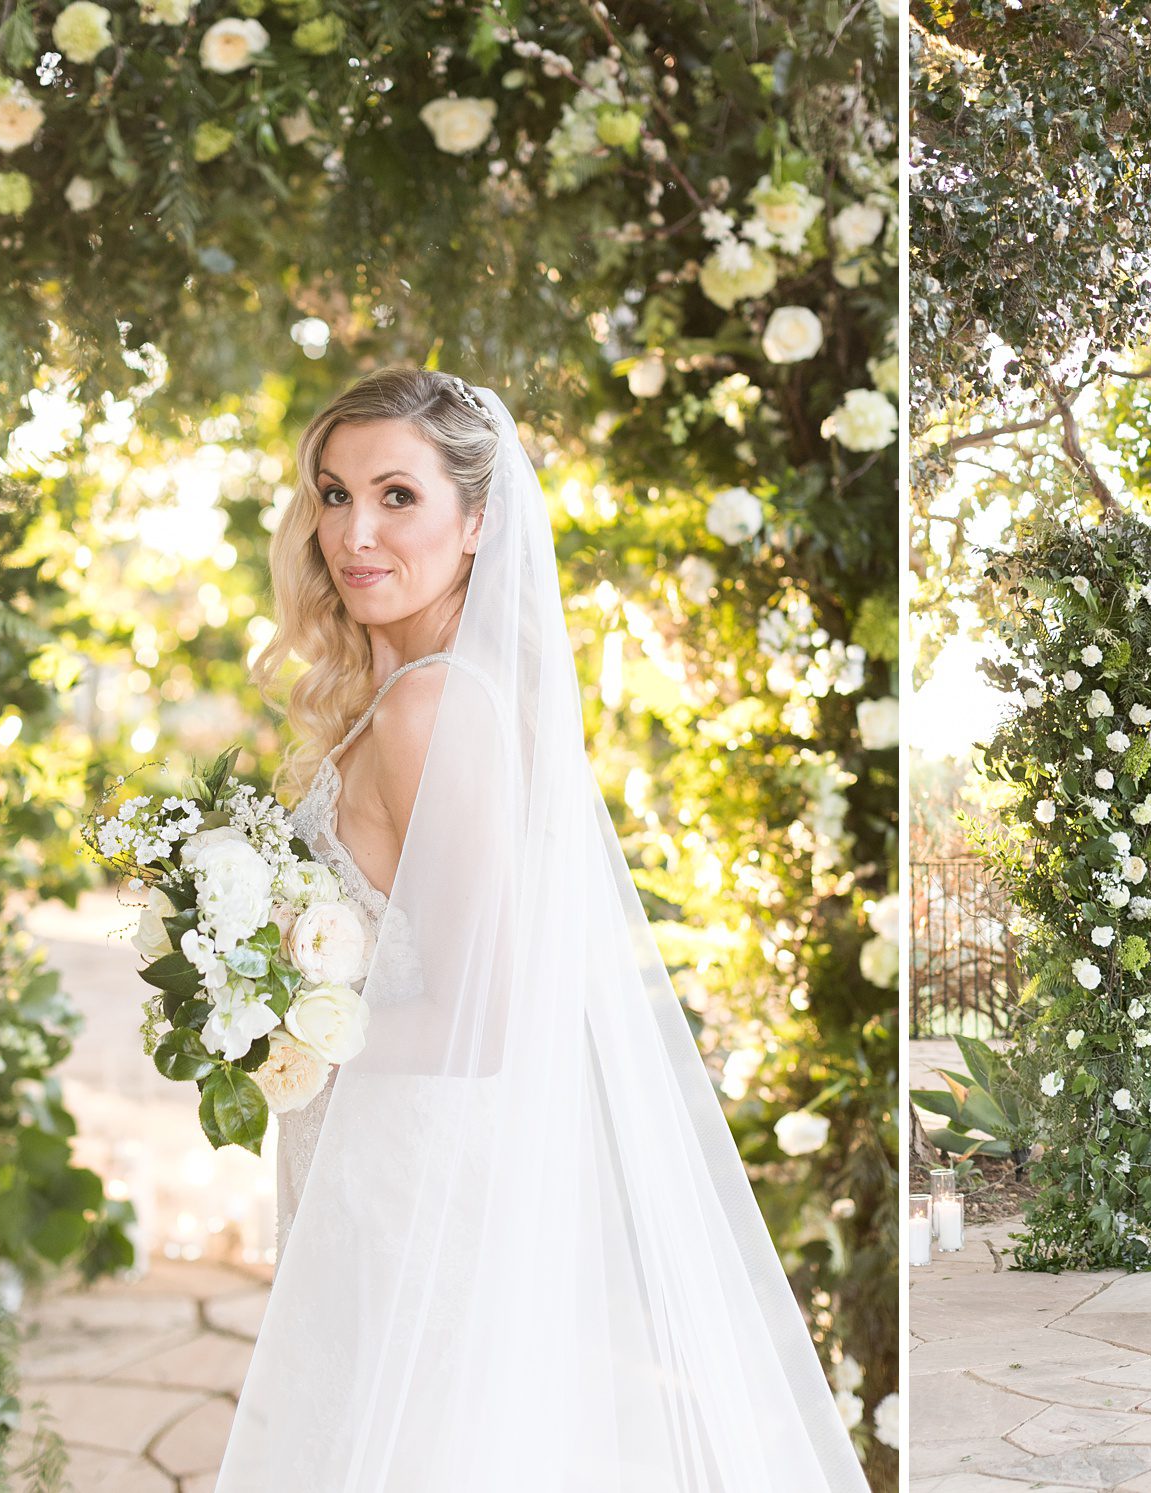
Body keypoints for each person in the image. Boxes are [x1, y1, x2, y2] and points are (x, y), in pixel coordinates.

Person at [218, 367, 871, 1490]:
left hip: (416, 1178)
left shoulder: (435, 708)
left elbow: (485, 1018)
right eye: (332, 495)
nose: (354, 531)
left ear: (477, 520)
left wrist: (274, 1019)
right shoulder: (407, 693)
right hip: (368, 1158)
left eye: (395, 496)